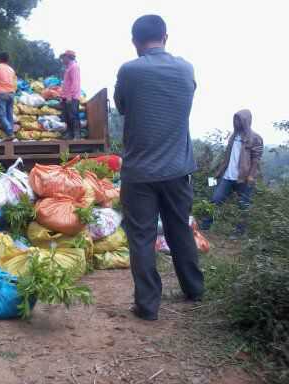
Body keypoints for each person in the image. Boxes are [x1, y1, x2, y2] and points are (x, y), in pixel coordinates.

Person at [114, 15, 204, 321]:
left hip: (139, 173)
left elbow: (123, 107)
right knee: (180, 230)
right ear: (165, 36)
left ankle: (148, 306)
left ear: (135, 42)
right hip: (178, 169)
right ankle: (194, 290)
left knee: (141, 237)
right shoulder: (186, 69)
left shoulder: (129, 71)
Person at [210, 109, 263, 233]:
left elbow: (256, 159)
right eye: (235, 119)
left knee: (243, 205)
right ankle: (206, 225)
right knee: (215, 199)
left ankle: (239, 232)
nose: (236, 122)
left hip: (243, 178)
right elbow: (228, 156)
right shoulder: (233, 136)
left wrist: (251, 176)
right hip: (227, 176)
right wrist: (219, 172)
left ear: (246, 121)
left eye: (238, 119)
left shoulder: (255, 138)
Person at [60, 50, 81, 140]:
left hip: (72, 98)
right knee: (67, 116)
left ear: (68, 57)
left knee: (73, 116)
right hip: (66, 97)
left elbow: (75, 83)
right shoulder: (68, 68)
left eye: (63, 58)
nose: (62, 60)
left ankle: (77, 134)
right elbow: (67, 84)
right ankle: (70, 134)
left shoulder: (74, 67)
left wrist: (70, 97)